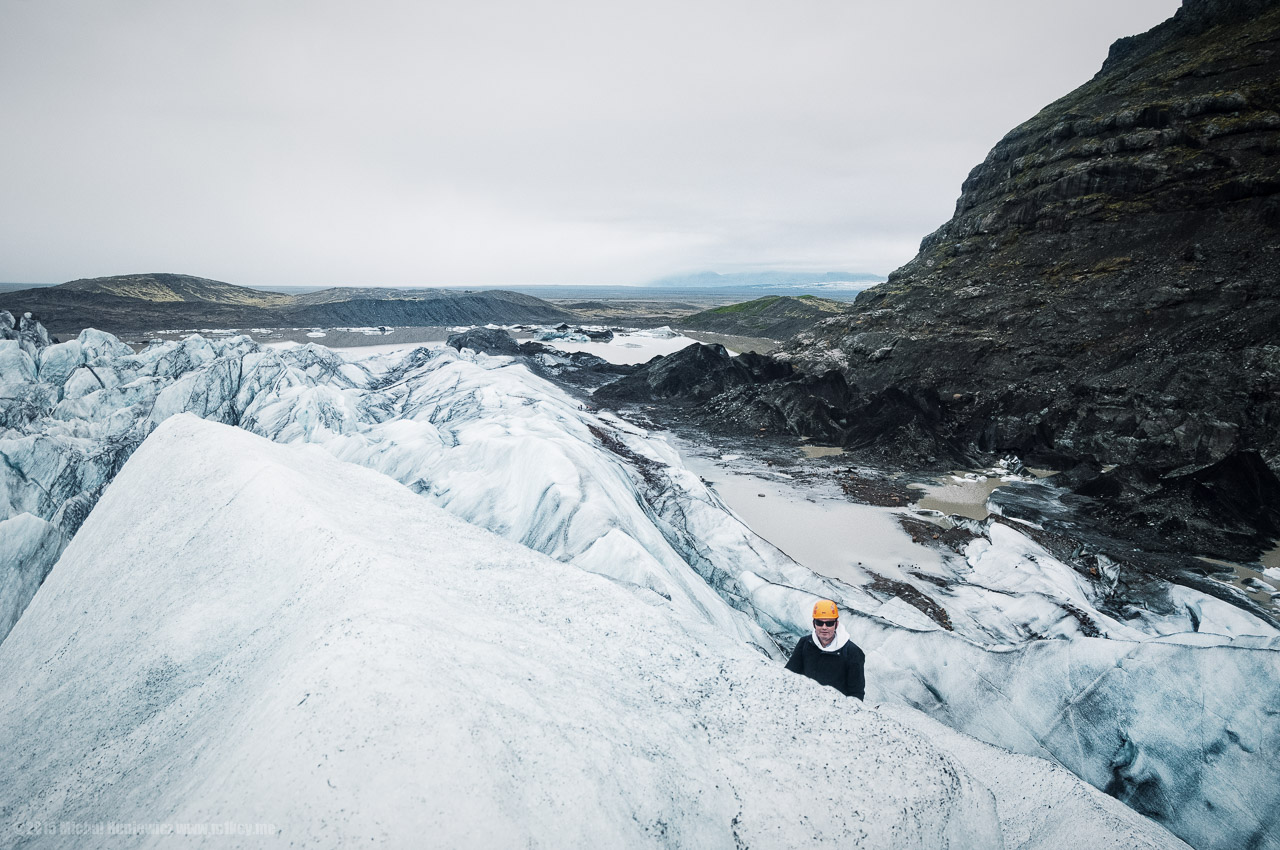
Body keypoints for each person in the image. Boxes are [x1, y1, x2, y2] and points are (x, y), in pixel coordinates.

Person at [784, 600, 865, 700]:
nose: (824, 627)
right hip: (805, 704)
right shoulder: (805, 643)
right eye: (819, 623)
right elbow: (789, 675)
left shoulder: (852, 652)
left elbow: (856, 693)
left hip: (836, 709)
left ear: (836, 624)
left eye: (829, 623)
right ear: (814, 624)